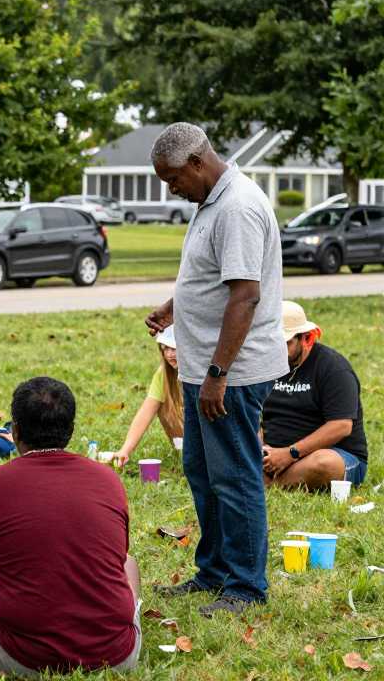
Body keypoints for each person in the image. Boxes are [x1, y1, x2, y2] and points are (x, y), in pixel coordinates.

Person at [146, 122, 287, 617]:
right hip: (204, 363)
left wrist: (218, 373)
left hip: (233, 371)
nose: (171, 189)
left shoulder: (238, 207)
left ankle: (246, 587)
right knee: (202, 471)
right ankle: (214, 573)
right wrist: (173, 307)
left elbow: (246, 295)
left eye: (172, 179)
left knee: (235, 475)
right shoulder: (210, 201)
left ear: (196, 164)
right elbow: (212, 276)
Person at [0, 377, 141, 675]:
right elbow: (112, 558)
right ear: (70, 431)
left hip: (23, 658)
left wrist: (2, 572)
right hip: (117, 656)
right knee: (129, 564)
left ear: (15, 431)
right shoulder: (109, 480)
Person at [261, 301, 368, 490]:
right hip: (274, 453)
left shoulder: (333, 368)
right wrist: (259, 446)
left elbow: (341, 426)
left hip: (332, 455)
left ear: (307, 338)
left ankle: (268, 484)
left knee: (323, 463)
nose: (277, 349)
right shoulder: (267, 364)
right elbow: (253, 413)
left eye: (285, 343)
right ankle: (270, 477)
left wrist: (290, 454)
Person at [113, 325, 184, 468]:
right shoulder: (163, 374)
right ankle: (181, 449)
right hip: (186, 437)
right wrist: (125, 450)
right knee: (163, 405)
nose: (170, 354)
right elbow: (146, 413)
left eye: (174, 348)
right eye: (165, 348)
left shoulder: (201, 371)